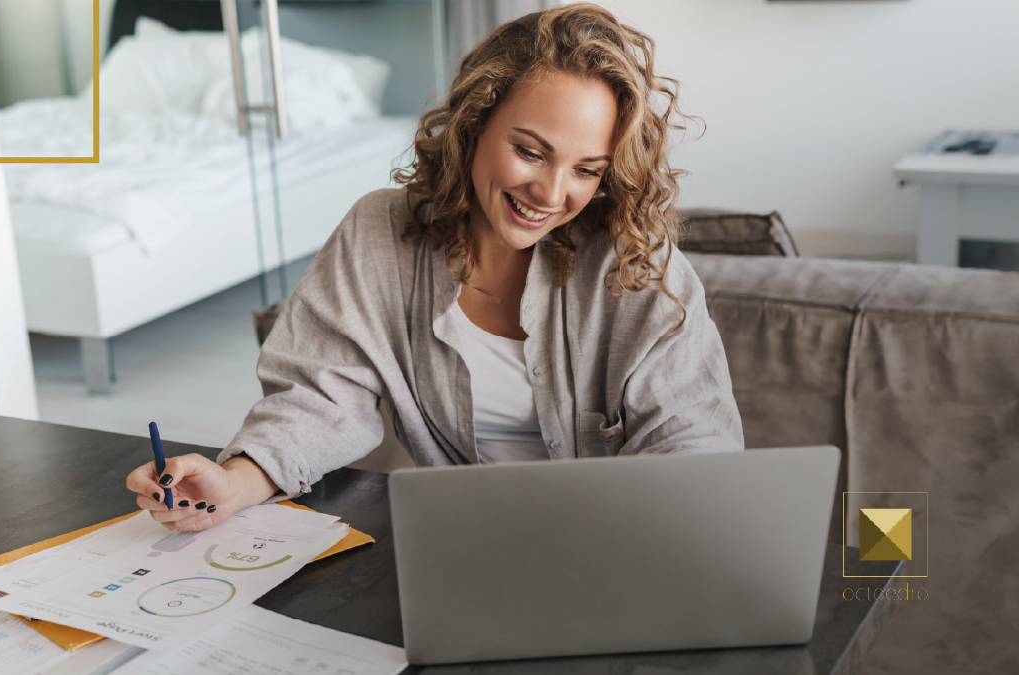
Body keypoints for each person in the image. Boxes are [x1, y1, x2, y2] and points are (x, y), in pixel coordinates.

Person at [126, 3, 744, 531]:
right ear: (474, 125)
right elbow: (321, 396)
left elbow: (694, 440)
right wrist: (235, 481)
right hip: (464, 550)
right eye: (530, 151)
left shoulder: (637, 265)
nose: (553, 194)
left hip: (620, 548)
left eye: (587, 169)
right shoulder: (379, 234)